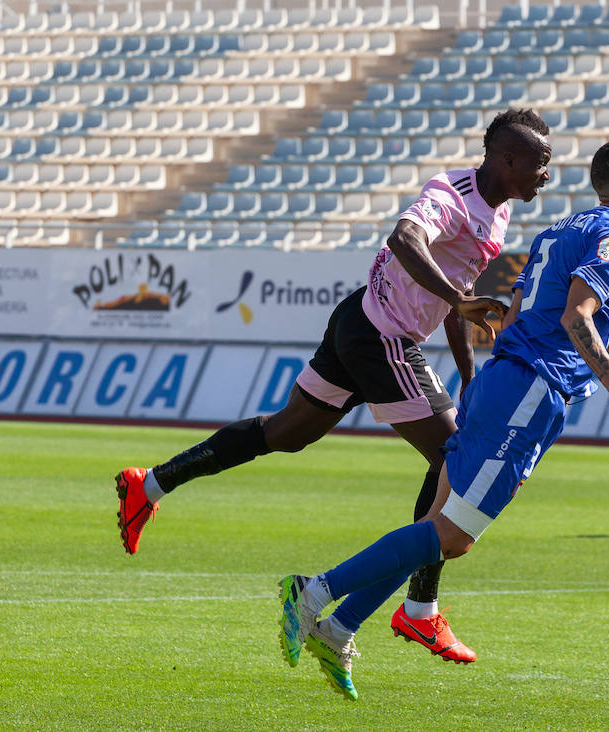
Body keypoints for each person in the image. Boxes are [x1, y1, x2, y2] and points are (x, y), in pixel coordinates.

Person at [115, 107, 552, 664]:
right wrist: (461, 302)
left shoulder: (498, 215)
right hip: (382, 337)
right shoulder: (451, 192)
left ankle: (148, 486)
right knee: (453, 459)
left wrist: (468, 377)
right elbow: (404, 239)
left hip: (360, 320)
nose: (546, 174)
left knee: (285, 433)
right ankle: (420, 612)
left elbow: (454, 299)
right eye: (540, 162)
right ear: (506, 159)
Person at [276, 136, 609, 701]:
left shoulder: (566, 228)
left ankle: (338, 628)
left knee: (440, 531)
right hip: (530, 390)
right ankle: (311, 593)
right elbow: (578, 312)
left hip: (505, 380)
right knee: (450, 535)